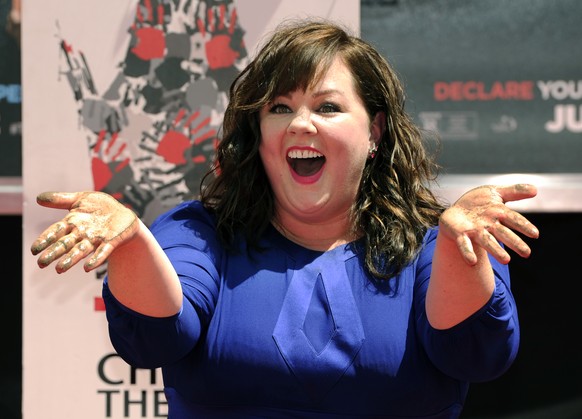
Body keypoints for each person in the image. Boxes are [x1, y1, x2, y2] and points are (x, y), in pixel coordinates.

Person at [30, 19, 540, 419]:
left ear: (376, 131)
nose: (300, 123)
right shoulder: (203, 233)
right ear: (259, 131)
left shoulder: (437, 242)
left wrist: (459, 248)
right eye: (279, 106)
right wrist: (132, 239)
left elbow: (476, 355)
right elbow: (154, 335)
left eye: (328, 107)